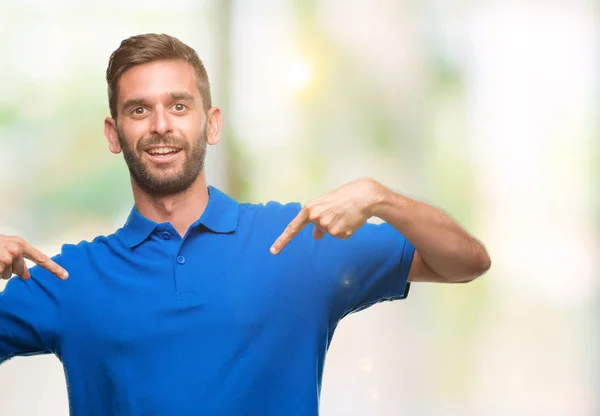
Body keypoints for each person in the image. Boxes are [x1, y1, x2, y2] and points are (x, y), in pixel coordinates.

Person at [0, 33, 491, 416]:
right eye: (138, 110)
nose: (161, 125)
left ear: (210, 124)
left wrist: (383, 199)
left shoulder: (299, 241)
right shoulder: (69, 279)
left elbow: (466, 262)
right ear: (114, 134)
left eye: (178, 105)